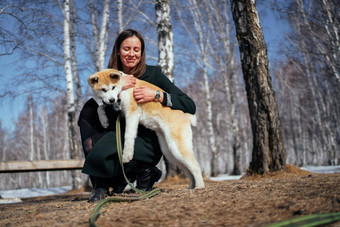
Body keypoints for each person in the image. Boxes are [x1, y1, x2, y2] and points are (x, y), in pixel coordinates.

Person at [78, 29, 196, 202]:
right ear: (118, 50)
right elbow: (112, 119)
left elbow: (189, 104)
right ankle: (107, 183)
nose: (132, 54)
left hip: (147, 140)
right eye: (127, 49)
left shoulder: (153, 74)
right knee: (89, 111)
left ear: (141, 52)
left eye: (136, 49)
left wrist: (158, 95)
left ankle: (125, 176)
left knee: (100, 149)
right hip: (119, 135)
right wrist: (119, 88)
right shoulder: (109, 77)